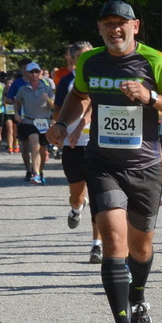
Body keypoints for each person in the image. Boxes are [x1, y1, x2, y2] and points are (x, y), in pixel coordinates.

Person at [48, 1, 162, 323]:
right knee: (114, 240)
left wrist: (151, 97)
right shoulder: (89, 61)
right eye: (108, 24)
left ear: (136, 26)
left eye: (122, 23)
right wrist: (62, 123)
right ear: (100, 29)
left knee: (141, 247)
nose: (115, 29)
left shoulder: (155, 62)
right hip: (102, 163)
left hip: (144, 166)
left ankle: (138, 299)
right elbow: (78, 95)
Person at [56, 41, 100, 260]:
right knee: (77, 195)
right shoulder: (66, 81)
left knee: (99, 194)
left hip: (98, 143)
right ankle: (77, 207)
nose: (86, 60)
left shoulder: (103, 78)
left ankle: (97, 244)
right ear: (72, 60)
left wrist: (83, 123)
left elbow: (94, 104)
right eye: (80, 57)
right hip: (73, 146)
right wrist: (61, 128)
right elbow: (58, 112)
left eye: (88, 56)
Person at [12, 62, 57, 184]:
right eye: (32, 72)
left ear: (41, 72)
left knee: (42, 149)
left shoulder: (47, 88)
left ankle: (40, 172)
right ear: (27, 73)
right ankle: (35, 173)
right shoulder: (23, 89)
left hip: (44, 122)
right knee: (34, 142)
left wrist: (47, 99)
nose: (34, 74)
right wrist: (16, 113)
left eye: (36, 71)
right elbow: (17, 102)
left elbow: (54, 106)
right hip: (29, 121)